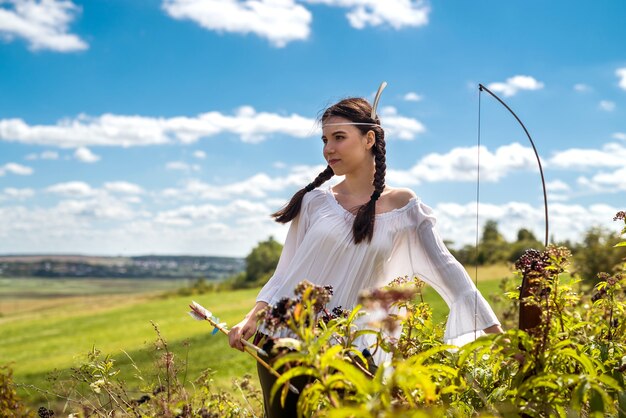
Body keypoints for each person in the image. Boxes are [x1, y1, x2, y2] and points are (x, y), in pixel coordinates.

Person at [228, 92, 503, 417]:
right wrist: (253, 317)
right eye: (325, 139)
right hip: (286, 340)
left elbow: (449, 269)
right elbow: (284, 273)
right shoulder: (315, 202)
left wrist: (497, 335)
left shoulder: (404, 206)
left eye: (339, 137)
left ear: (369, 138)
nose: (328, 148)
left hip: (353, 350)